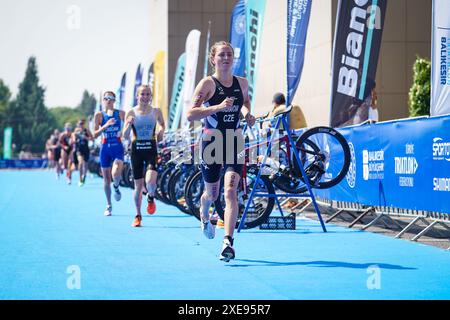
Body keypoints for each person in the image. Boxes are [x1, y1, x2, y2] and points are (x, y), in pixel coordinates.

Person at [186, 41, 255, 262]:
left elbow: (244, 102)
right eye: (222, 55)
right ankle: (204, 214)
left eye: (229, 54)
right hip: (211, 141)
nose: (226, 58)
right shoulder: (207, 84)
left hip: (234, 140)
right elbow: (191, 114)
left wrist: (247, 114)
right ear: (213, 59)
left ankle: (228, 241)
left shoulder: (242, 82)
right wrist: (217, 107)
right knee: (212, 194)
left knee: (230, 192)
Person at [123, 85, 165, 228]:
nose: (145, 97)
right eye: (142, 94)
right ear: (137, 96)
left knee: (150, 182)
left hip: (151, 149)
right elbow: (124, 135)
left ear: (150, 96)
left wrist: (161, 132)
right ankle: (137, 215)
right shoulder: (131, 112)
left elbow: (162, 125)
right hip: (136, 151)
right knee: (138, 186)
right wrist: (129, 124)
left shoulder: (156, 111)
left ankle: (151, 197)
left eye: (147, 94)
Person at [93, 91, 125, 216]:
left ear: (114, 100)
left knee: (116, 173)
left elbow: (128, 127)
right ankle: (108, 205)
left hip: (117, 147)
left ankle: (116, 186)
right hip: (105, 148)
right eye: (106, 98)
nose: (109, 100)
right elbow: (94, 134)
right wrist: (105, 125)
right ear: (103, 100)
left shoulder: (120, 113)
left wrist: (124, 132)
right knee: (106, 179)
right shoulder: (99, 115)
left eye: (111, 98)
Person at [72, 119, 93, 186]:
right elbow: (73, 140)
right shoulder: (75, 131)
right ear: (78, 124)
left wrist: (86, 137)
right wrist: (76, 139)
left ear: (84, 124)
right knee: (80, 163)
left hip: (86, 149)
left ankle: (84, 176)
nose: (81, 125)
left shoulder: (86, 130)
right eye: (80, 123)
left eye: (82, 123)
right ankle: (80, 178)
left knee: (85, 164)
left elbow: (92, 138)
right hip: (79, 149)